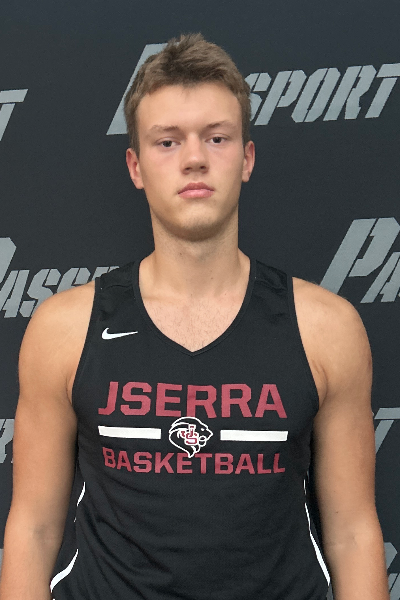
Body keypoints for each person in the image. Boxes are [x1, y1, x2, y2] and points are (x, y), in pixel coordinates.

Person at [0, 33, 389, 600]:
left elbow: (353, 534)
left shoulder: (327, 328)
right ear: (135, 166)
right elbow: (33, 529)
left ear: (247, 158)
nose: (194, 159)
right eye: (167, 141)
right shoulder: (63, 329)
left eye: (216, 137)